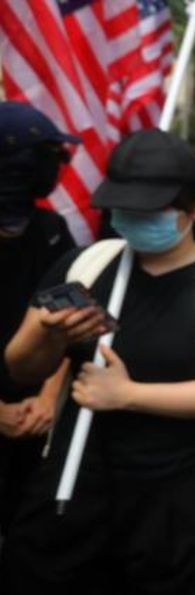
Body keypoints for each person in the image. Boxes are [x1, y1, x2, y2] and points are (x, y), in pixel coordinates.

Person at [0, 129, 195, 595]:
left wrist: (127, 394)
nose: (134, 222)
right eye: (125, 210)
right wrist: (49, 335)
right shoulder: (85, 264)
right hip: (75, 484)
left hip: (177, 500)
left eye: (151, 212)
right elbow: (20, 365)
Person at [0, 103, 78, 534]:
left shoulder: (50, 230)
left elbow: (69, 317)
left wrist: (49, 397)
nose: (59, 168)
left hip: (31, 416)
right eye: (50, 156)